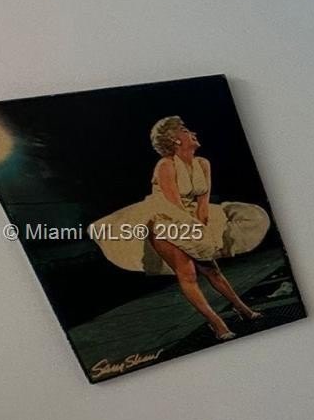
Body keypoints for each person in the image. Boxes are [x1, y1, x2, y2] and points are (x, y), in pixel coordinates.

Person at [93, 116, 271, 340]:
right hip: (166, 221)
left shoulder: (203, 163)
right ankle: (216, 324)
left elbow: (203, 203)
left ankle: (242, 309)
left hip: (191, 217)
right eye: (185, 130)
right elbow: (173, 205)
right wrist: (195, 231)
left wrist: (204, 229)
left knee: (212, 270)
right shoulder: (165, 165)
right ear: (174, 139)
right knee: (188, 274)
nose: (193, 133)